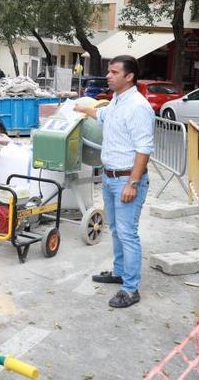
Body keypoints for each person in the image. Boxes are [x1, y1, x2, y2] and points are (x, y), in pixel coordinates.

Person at [75, 55, 154, 309]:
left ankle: (130, 289)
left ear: (129, 76)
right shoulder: (118, 101)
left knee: (128, 233)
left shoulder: (138, 107)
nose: (108, 76)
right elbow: (101, 116)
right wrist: (77, 108)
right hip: (110, 178)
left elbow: (144, 149)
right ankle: (119, 272)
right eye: (109, 71)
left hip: (126, 180)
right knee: (117, 230)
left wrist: (133, 183)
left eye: (113, 72)